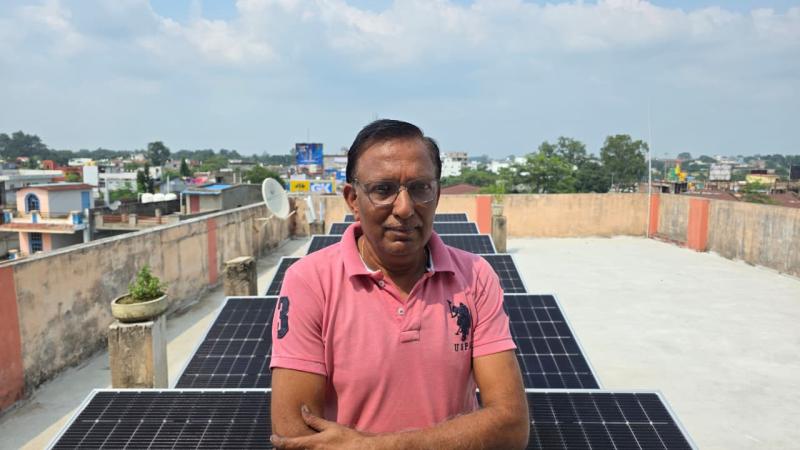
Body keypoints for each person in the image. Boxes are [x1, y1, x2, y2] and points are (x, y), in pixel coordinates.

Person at [270, 119, 529, 449]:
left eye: (420, 188)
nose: (405, 209)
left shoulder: (476, 276)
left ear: (437, 194)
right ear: (352, 199)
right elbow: (294, 434)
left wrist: (372, 447)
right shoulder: (309, 282)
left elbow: (511, 426)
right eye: (383, 190)